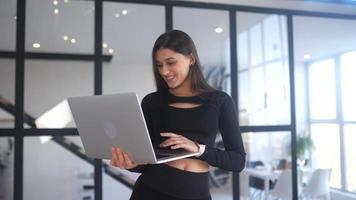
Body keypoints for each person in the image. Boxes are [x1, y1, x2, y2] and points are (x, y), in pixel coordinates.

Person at [110, 29, 246, 200]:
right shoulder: (152, 102)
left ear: (191, 59)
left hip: (195, 193)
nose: (164, 71)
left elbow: (237, 161)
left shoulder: (219, 100)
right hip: (150, 190)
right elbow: (147, 161)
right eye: (159, 65)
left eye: (171, 62)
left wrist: (198, 149)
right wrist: (130, 164)